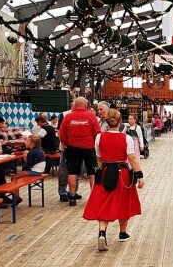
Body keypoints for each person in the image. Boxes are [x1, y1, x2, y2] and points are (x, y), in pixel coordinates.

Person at [82, 108, 144, 251]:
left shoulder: (99, 137)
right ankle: (122, 233)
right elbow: (132, 158)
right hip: (122, 174)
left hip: (105, 173)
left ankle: (102, 232)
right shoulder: (126, 138)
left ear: (106, 121)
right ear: (120, 121)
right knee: (123, 202)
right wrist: (139, 175)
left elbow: (99, 157)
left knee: (105, 202)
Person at [59, 97, 101, 206]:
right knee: (93, 173)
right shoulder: (91, 117)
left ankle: (72, 196)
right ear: (86, 105)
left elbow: (62, 134)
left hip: (72, 148)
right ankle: (95, 197)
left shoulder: (68, 117)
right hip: (89, 148)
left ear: (75, 105)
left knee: (73, 172)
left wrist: (67, 144)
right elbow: (97, 133)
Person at [11, 135, 45, 203]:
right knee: (19, 175)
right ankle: (16, 196)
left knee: (14, 178)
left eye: (27, 141)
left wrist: (25, 158)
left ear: (32, 143)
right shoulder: (40, 150)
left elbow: (28, 166)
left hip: (35, 171)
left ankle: (16, 197)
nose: (25, 142)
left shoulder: (31, 152)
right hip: (40, 170)